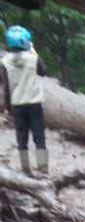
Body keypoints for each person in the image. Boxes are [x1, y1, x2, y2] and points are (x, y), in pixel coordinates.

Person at [0, 25, 48, 177]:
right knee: (39, 137)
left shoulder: (4, 62)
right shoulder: (33, 58)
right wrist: (33, 51)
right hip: (34, 104)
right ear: (26, 42)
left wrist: (7, 107)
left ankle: (26, 170)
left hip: (17, 105)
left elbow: (5, 86)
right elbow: (43, 71)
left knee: (22, 139)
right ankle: (43, 168)